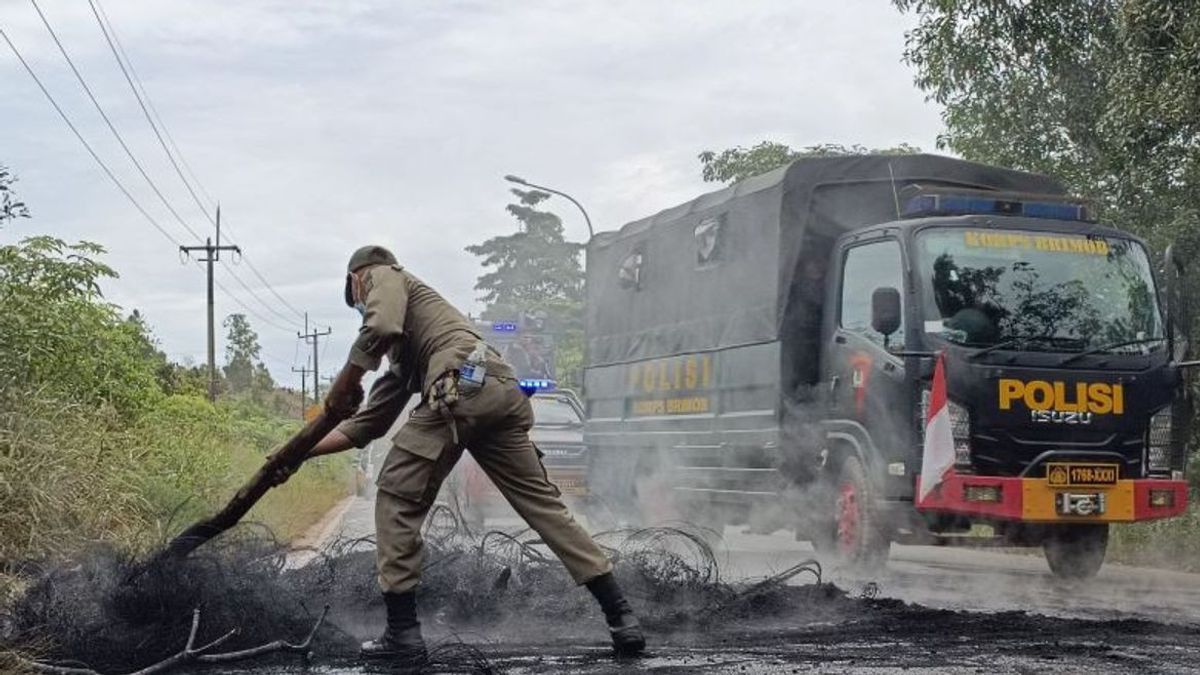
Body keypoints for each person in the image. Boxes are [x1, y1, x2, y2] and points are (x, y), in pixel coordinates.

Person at [284, 245, 645, 662]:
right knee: (546, 508)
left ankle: (402, 634)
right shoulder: (410, 350)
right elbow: (368, 425)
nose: (363, 306)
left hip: (458, 386)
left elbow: (378, 324)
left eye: (359, 301)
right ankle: (621, 616)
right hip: (499, 391)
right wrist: (299, 453)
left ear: (356, 280)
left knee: (397, 496)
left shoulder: (384, 273)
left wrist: (346, 381)